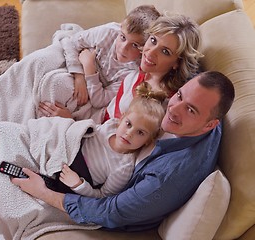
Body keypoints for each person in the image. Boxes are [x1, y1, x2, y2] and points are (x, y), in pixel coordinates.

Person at [12, 70, 235, 231]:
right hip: (83, 149)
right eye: (179, 96)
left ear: (210, 125)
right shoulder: (204, 96)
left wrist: (43, 192)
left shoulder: (166, 179)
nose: (173, 110)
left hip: (93, 200)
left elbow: (109, 210)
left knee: (5, 145)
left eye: (190, 109)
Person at [38, 12, 204, 125]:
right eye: (153, 41)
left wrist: (70, 121)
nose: (150, 53)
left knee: (54, 85)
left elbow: (116, 135)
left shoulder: (154, 99)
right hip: (85, 116)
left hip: (87, 129)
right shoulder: (138, 72)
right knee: (45, 63)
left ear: (177, 62)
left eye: (165, 51)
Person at [59, 82, 167, 198]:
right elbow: (85, 131)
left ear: (148, 141)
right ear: (121, 119)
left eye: (140, 132)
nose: (129, 133)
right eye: (128, 124)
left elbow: (102, 196)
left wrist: (78, 184)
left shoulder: (123, 168)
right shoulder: (110, 125)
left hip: (75, 175)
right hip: (67, 148)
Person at [54, 5, 161, 107]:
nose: (123, 48)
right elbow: (71, 42)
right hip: (75, 65)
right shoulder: (109, 32)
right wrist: (79, 76)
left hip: (88, 75)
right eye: (123, 37)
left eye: (134, 45)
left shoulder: (133, 74)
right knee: (42, 59)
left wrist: (88, 68)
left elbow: (99, 100)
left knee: (59, 89)